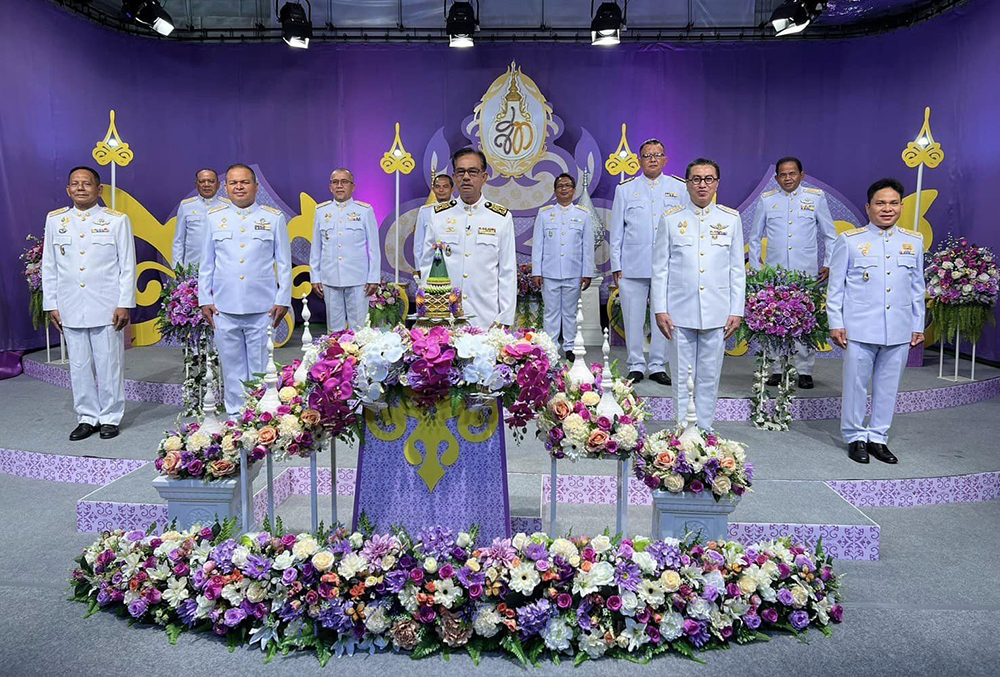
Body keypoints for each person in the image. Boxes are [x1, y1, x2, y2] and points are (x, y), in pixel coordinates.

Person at [827, 178, 924, 465]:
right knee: (855, 384)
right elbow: (836, 286)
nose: (887, 209)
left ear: (901, 206)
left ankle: (879, 437)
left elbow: (918, 286)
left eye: (893, 203)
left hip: (899, 326)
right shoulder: (851, 241)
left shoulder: (913, 241)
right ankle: (855, 436)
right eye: (880, 203)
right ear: (868, 207)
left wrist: (918, 324)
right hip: (860, 326)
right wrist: (836, 322)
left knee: (888, 385)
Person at [41, 166, 136, 440]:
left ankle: (109, 416)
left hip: (106, 305)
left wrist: (124, 303)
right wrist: (51, 304)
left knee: (109, 363)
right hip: (70, 304)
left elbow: (127, 265)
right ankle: (86, 416)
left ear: (99, 189)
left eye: (86, 183)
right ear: (68, 189)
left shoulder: (117, 220)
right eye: (75, 184)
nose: (80, 188)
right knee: (79, 365)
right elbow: (49, 265)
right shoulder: (55, 220)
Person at [652, 158, 745, 431]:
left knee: (709, 375)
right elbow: (660, 269)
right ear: (687, 183)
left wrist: (736, 310)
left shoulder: (730, 219)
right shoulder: (671, 219)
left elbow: (737, 269)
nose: (702, 185)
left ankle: (704, 430)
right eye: (696, 179)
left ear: (717, 183)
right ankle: (683, 430)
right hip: (678, 311)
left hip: (718, 311)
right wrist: (660, 308)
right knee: (682, 376)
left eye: (708, 179)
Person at [199, 164, 292, 416]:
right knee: (231, 367)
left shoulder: (273, 218)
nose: (238, 187)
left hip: (262, 306)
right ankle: (235, 417)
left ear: (255, 186)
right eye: (233, 183)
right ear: (225, 187)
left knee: (262, 367)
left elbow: (283, 263)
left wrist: (283, 298)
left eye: (244, 182)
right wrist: (204, 299)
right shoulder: (214, 217)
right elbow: (206, 263)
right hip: (223, 307)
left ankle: (261, 416)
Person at [748, 156, 836, 389]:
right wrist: (758, 270)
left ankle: (805, 370)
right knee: (774, 320)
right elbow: (755, 238)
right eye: (783, 175)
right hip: (775, 276)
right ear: (776, 178)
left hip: (806, 274)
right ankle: (777, 369)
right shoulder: (768, 200)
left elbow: (830, 234)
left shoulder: (815, 198)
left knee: (805, 322)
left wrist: (829, 263)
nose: (788, 178)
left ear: (801, 175)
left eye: (792, 173)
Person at [609, 138, 687, 384]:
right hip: (633, 265)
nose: (653, 159)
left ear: (665, 159)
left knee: (663, 316)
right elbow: (617, 230)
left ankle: (657, 365)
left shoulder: (679, 188)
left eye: (657, 155)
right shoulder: (625, 189)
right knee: (632, 317)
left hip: (668, 265)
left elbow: (684, 227)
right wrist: (616, 265)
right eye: (648, 155)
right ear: (639, 161)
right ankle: (635, 364)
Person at [419, 147, 515, 328]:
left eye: (473, 172)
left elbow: (507, 272)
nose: (466, 177)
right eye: (461, 172)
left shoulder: (500, 217)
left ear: (484, 177)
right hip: (444, 315)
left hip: (486, 316)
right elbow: (427, 265)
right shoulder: (438, 215)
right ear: (454, 177)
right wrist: (428, 311)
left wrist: (505, 317)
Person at [530, 172, 594, 360]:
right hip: (549, 272)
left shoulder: (583, 215)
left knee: (570, 312)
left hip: (573, 272)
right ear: (555, 190)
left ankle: (569, 346)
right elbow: (538, 245)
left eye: (567, 185)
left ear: (574, 190)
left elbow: (587, 247)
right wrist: (537, 271)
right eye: (560, 186)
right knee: (550, 312)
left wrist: (587, 272)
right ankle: (550, 347)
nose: (563, 189)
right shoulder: (545, 214)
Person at [309, 168, 380, 332]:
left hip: (358, 278)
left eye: (344, 182)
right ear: (330, 187)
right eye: (335, 182)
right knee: (334, 329)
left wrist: (373, 277)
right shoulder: (321, 211)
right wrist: (315, 276)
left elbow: (374, 248)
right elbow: (316, 247)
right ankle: (337, 357)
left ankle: (360, 358)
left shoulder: (364, 211)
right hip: (330, 277)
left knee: (359, 328)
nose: (339, 186)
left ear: (353, 187)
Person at [171, 168, 229, 267]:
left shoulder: (228, 206)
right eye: (202, 181)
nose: (206, 185)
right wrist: (178, 268)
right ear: (196, 184)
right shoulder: (186, 206)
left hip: (221, 267)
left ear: (218, 184)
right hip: (193, 267)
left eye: (211, 181)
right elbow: (179, 240)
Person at [412, 174, 455, 281]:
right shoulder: (425, 211)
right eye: (437, 186)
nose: (441, 190)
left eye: (445, 186)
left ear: (452, 189)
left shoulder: (459, 210)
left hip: (454, 263)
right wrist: (419, 267)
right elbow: (419, 243)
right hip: (431, 264)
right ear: (433, 189)